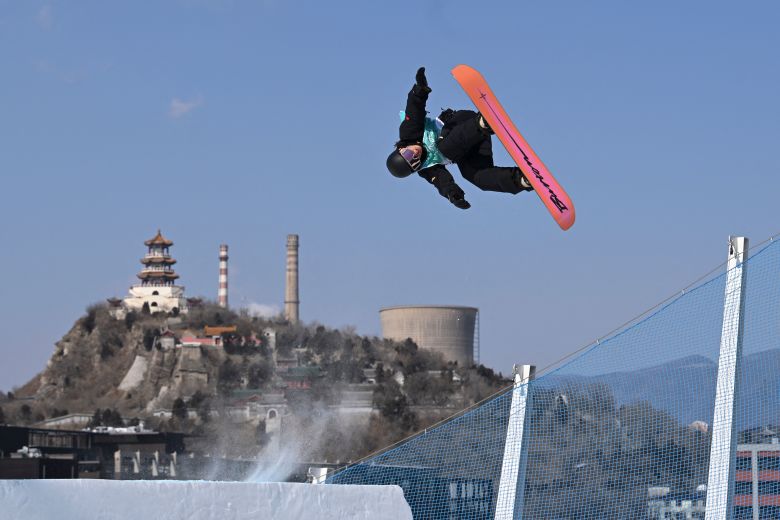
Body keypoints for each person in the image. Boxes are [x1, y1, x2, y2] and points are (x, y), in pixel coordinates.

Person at [386, 67, 533, 210]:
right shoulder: (427, 169)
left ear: (401, 148)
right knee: (476, 177)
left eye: (408, 154)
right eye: (415, 162)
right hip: (471, 146)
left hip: (459, 123)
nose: (415, 155)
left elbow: (414, 111)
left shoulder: (408, 133)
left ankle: (483, 123)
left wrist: (420, 89)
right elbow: (442, 182)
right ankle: (521, 180)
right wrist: (453, 195)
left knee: (444, 148)